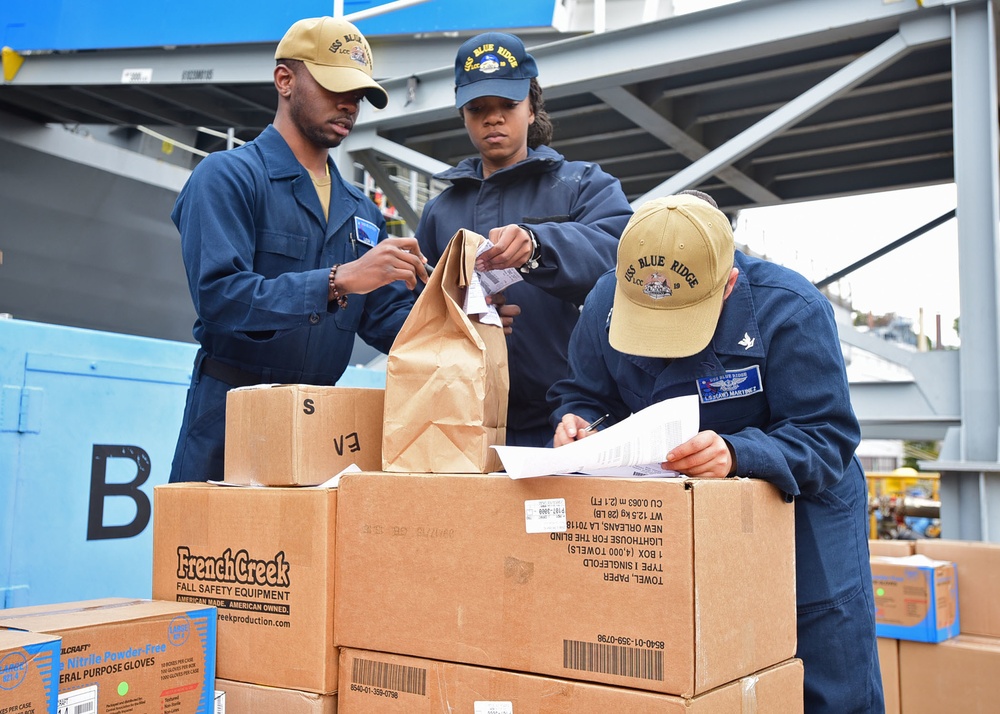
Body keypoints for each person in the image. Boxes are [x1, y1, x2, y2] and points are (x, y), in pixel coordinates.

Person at [549, 193, 883, 713]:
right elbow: (585, 395)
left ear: (728, 283)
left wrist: (737, 453)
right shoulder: (604, 301)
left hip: (803, 512)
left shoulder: (790, 308)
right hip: (672, 514)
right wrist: (578, 424)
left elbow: (825, 435)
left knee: (825, 674)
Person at [167, 16, 432, 483]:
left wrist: (460, 317)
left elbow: (386, 321)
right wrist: (338, 280)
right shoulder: (227, 177)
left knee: (309, 556)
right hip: (232, 419)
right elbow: (220, 296)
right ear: (284, 80)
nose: (348, 105)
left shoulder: (361, 212)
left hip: (321, 425)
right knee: (218, 553)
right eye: (335, 87)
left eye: (357, 95)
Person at [415, 31, 633, 447]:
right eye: (478, 108)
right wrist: (462, 318)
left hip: (568, 417)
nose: (492, 118)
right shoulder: (439, 211)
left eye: (508, 105)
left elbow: (621, 256)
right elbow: (414, 310)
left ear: (532, 109)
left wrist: (538, 244)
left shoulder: (583, 183)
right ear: (463, 113)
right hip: (458, 420)